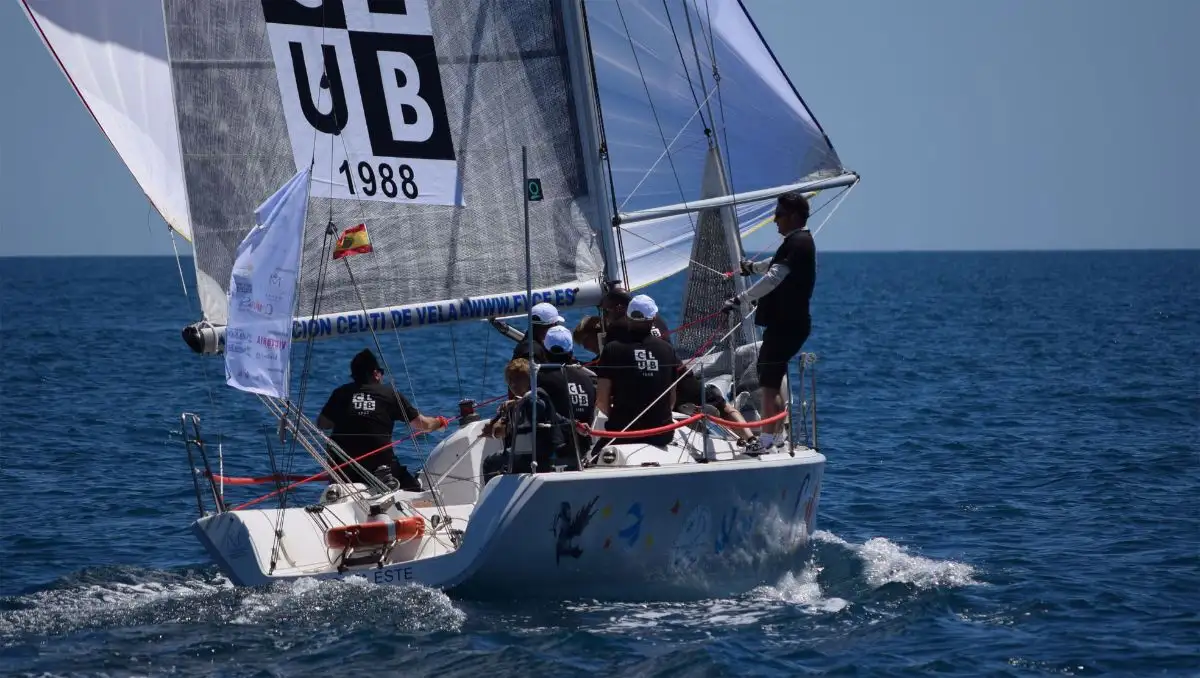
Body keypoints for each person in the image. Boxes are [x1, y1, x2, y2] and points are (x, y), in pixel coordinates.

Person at [721, 191, 816, 449]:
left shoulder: (798, 243)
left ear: (794, 216)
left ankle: (766, 440)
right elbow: (775, 265)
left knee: (770, 384)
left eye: (779, 214)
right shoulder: (797, 242)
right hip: (788, 326)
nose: (775, 220)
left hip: (787, 326)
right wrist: (751, 268)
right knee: (770, 382)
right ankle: (772, 437)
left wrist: (739, 299)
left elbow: (775, 277)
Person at [317, 348, 449, 489]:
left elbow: (322, 424)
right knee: (416, 491)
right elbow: (423, 425)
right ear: (376, 374)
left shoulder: (340, 393)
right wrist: (439, 422)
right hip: (380, 468)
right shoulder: (390, 394)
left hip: (343, 470)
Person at [593, 294, 681, 447]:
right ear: (653, 319)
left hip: (623, 433)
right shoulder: (667, 349)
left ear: (627, 317)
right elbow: (671, 400)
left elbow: (602, 401)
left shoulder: (612, 349)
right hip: (661, 434)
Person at [538, 325, 597, 461]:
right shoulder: (587, 378)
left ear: (545, 351)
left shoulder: (540, 378)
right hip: (584, 452)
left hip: (552, 455)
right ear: (570, 351)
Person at [674, 369, 757, 445]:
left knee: (678, 414)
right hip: (687, 383)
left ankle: (691, 420)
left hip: (670, 390)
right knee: (725, 408)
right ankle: (751, 439)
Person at [598, 286, 671, 343]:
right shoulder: (655, 318)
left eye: (606, 311)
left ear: (619, 308)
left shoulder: (617, 328)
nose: (604, 316)